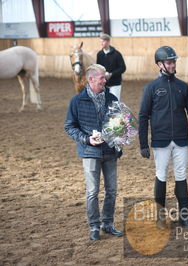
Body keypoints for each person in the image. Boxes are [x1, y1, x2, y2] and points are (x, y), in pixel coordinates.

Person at [139, 46, 188, 229]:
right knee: (161, 176)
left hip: (181, 139)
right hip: (161, 141)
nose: (173, 65)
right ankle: (160, 217)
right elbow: (143, 116)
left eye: (174, 61)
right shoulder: (151, 88)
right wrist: (143, 144)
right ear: (160, 64)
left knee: (181, 176)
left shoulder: (183, 87)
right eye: (169, 62)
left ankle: (184, 216)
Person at [64, 64, 123, 241]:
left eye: (105, 78)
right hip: (90, 151)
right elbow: (69, 127)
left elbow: (119, 125)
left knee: (111, 191)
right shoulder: (77, 101)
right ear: (91, 79)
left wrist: (120, 133)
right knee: (92, 191)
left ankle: (108, 224)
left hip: (110, 151)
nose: (105, 80)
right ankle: (94, 226)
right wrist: (85, 139)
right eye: (102, 78)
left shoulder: (112, 98)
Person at [96, 33, 126, 101]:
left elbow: (123, 68)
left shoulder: (117, 54)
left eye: (103, 41)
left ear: (108, 41)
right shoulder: (99, 54)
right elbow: (98, 67)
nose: (101, 43)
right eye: (100, 42)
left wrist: (112, 74)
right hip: (104, 83)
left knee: (114, 103)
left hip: (115, 83)